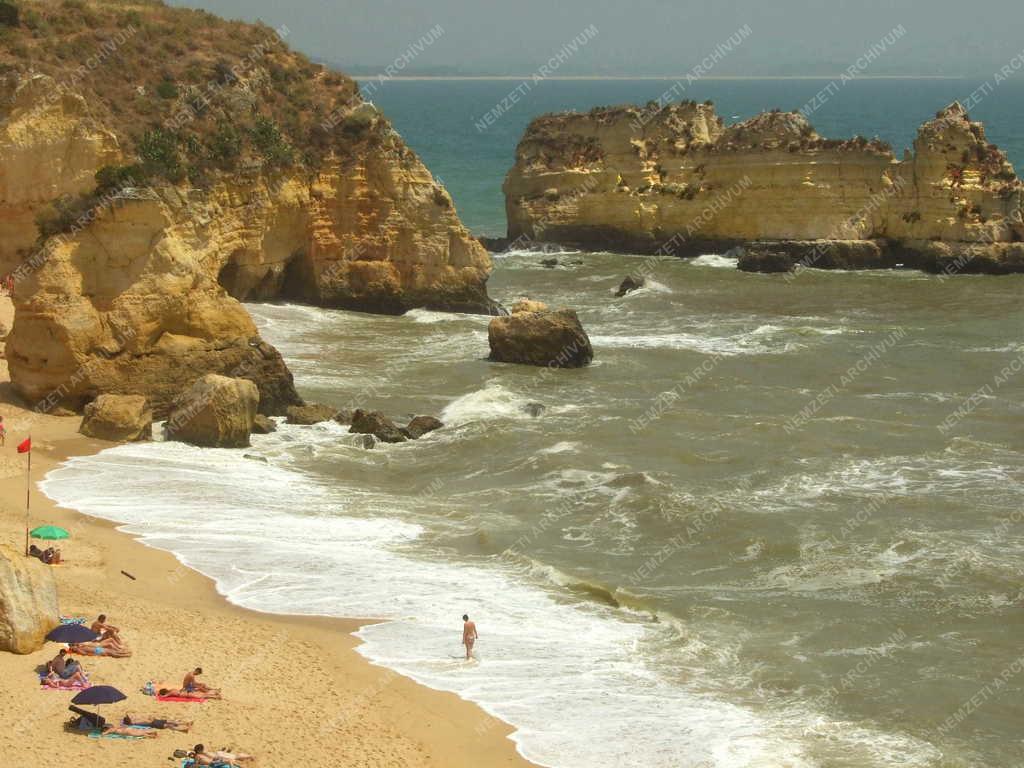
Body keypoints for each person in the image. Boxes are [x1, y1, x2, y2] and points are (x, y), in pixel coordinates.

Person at [122, 713, 192, 732]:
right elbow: (146, 722)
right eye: (128, 718)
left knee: (170, 721)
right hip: (154, 723)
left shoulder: (133, 721)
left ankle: (185, 723)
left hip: (155, 721)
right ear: (128, 721)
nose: (129, 717)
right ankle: (183, 729)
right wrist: (151, 719)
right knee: (168, 725)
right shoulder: (134, 723)